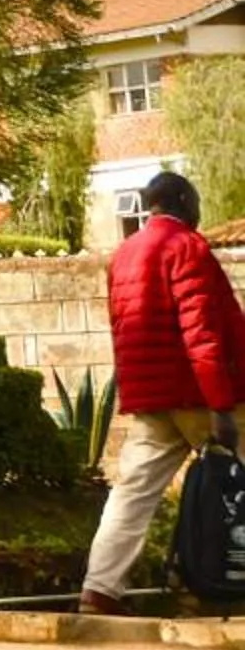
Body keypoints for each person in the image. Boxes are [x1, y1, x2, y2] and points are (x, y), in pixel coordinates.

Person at [81, 170, 245, 614]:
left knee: (132, 493)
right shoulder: (187, 247)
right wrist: (221, 406)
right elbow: (201, 332)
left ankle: (99, 591)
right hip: (199, 395)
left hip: (152, 401)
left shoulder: (124, 254)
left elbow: (123, 329)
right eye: (196, 203)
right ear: (184, 202)